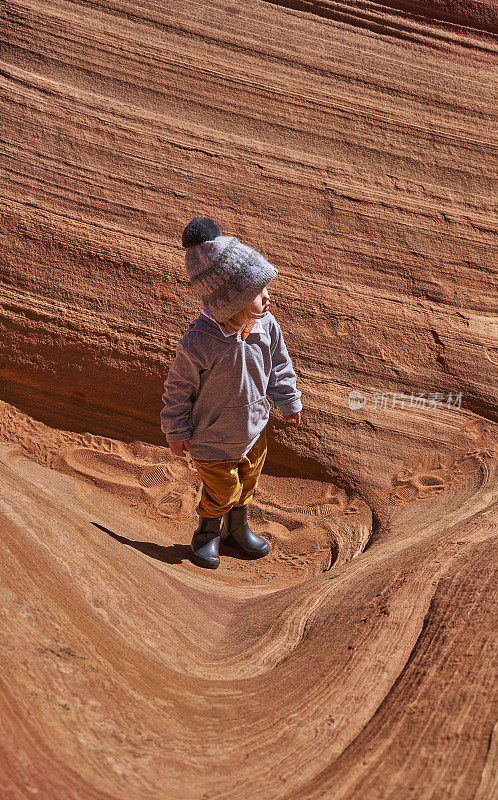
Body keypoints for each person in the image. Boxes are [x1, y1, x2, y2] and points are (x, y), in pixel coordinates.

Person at [160, 216, 303, 569]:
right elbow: (178, 388)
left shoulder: (265, 324)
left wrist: (288, 400)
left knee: (249, 480)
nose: (267, 297)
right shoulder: (200, 342)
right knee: (222, 489)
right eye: (257, 291)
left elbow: (279, 364)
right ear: (230, 301)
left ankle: (236, 530)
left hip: (254, 429)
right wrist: (176, 430)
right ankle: (206, 534)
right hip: (213, 437)